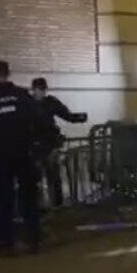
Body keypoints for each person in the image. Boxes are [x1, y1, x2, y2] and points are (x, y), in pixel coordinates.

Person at [0, 61, 46, 256]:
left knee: (2, 200)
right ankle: (33, 238)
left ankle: (5, 243)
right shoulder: (21, 96)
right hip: (22, 152)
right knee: (28, 196)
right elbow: (38, 120)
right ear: (8, 73)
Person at [31, 78, 89, 208]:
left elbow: (66, 115)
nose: (41, 93)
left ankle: (56, 204)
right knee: (37, 177)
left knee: (52, 176)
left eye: (42, 90)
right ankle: (40, 205)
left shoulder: (49, 102)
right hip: (37, 144)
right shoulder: (30, 104)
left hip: (48, 144)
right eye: (39, 90)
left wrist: (79, 118)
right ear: (34, 90)